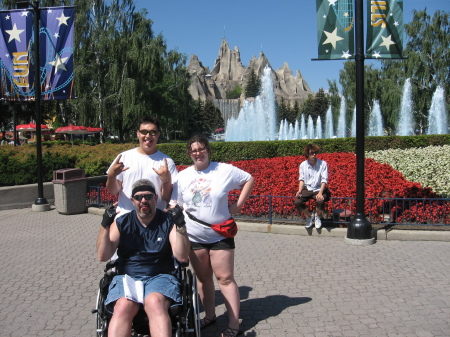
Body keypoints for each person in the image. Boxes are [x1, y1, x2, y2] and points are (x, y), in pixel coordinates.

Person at [171, 134, 254, 337]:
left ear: (208, 150)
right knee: (203, 278)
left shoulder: (224, 170)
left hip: (220, 235)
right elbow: (178, 204)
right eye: (194, 150)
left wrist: (238, 205)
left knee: (225, 278)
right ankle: (210, 316)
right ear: (189, 154)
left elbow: (248, 179)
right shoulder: (182, 176)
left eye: (201, 149)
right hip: (194, 236)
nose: (198, 153)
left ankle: (234, 324)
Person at [96, 179, 190, 337]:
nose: (143, 200)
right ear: (132, 201)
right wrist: (105, 225)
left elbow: (181, 256)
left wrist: (180, 224)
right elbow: (103, 256)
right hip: (128, 276)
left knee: (154, 302)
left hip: (161, 275)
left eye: (148, 196)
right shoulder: (122, 222)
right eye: (139, 197)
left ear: (156, 199)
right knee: (123, 305)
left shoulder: (168, 221)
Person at [106, 116, 178, 216]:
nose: (148, 136)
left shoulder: (167, 162)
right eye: (144, 132)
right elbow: (113, 191)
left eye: (153, 132)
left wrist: (166, 181)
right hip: (126, 217)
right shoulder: (123, 157)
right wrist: (111, 176)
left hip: (155, 220)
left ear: (158, 135)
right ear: (138, 134)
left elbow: (167, 198)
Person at [294, 144, 330, 229]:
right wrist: (299, 190)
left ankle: (317, 216)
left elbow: (324, 180)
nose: (314, 155)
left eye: (315, 153)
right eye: (311, 153)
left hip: (318, 188)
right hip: (308, 188)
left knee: (320, 200)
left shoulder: (323, 164)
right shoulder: (303, 165)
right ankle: (310, 216)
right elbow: (302, 179)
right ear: (307, 154)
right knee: (297, 202)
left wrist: (320, 193)